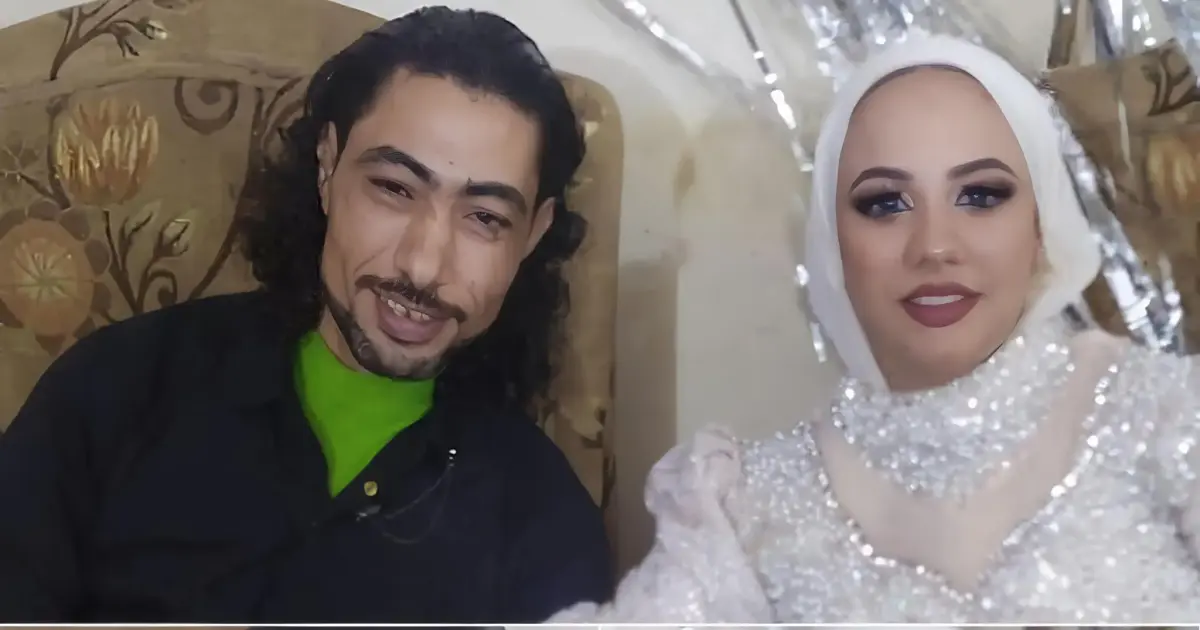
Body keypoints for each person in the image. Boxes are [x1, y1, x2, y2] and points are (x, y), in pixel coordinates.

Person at [550, 35, 1200, 623]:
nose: (935, 245)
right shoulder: (744, 505)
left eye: (981, 195)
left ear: (1041, 225)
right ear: (833, 245)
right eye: (885, 203)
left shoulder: (1169, 419)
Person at [0, 6, 613, 623]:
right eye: (394, 188)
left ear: (534, 234)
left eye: (485, 218)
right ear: (327, 167)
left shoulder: (546, 531)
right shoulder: (116, 392)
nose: (425, 266)